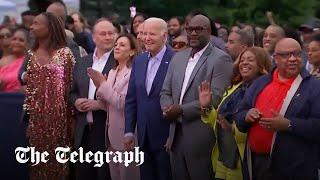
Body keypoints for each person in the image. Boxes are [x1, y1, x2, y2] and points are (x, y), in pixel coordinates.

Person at [235, 38, 320, 180]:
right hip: (257, 164)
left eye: (297, 54)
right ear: (275, 58)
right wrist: (246, 115)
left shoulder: (314, 87)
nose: (293, 59)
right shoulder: (260, 82)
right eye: (286, 55)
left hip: (294, 168)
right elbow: (239, 115)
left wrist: (288, 124)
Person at [160, 15, 233, 180]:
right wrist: (167, 108)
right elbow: (165, 91)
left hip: (202, 138)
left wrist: (180, 110)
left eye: (198, 29)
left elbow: (216, 98)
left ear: (208, 31)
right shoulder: (178, 57)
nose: (192, 33)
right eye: (189, 29)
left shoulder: (220, 59)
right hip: (175, 136)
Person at [199, 47, 272, 180]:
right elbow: (218, 121)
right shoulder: (235, 87)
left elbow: (259, 128)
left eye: (250, 60)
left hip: (243, 159)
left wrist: (232, 129)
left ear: (261, 65)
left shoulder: (265, 91)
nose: (244, 63)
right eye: (242, 60)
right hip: (223, 156)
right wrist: (207, 106)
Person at [23, 12, 75, 179]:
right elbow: (27, 84)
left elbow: (74, 87)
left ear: (49, 27)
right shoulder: (31, 55)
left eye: (36, 23)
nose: (31, 27)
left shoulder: (66, 54)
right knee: (38, 165)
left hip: (62, 122)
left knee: (60, 167)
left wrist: (73, 119)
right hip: (37, 122)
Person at [124, 17, 174, 180]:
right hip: (143, 136)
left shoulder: (176, 60)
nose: (146, 38)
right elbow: (132, 98)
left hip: (166, 137)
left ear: (164, 36)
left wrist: (173, 134)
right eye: (144, 33)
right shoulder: (139, 60)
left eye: (152, 34)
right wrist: (129, 131)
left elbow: (179, 99)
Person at [69, 18, 117, 180]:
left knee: (105, 175)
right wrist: (75, 101)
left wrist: (101, 104)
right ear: (94, 37)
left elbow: (126, 98)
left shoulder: (120, 62)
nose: (108, 37)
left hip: (106, 130)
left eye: (111, 33)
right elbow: (72, 91)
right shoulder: (83, 61)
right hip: (83, 131)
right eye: (103, 34)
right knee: (84, 175)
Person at [88, 33, 140, 180]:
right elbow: (108, 104)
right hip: (110, 136)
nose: (117, 47)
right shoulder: (112, 71)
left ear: (132, 52)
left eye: (122, 45)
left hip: (126, 135)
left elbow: (122, 103)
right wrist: (99, 87)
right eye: (116, 44)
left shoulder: (132, 73)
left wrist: (102, 84)